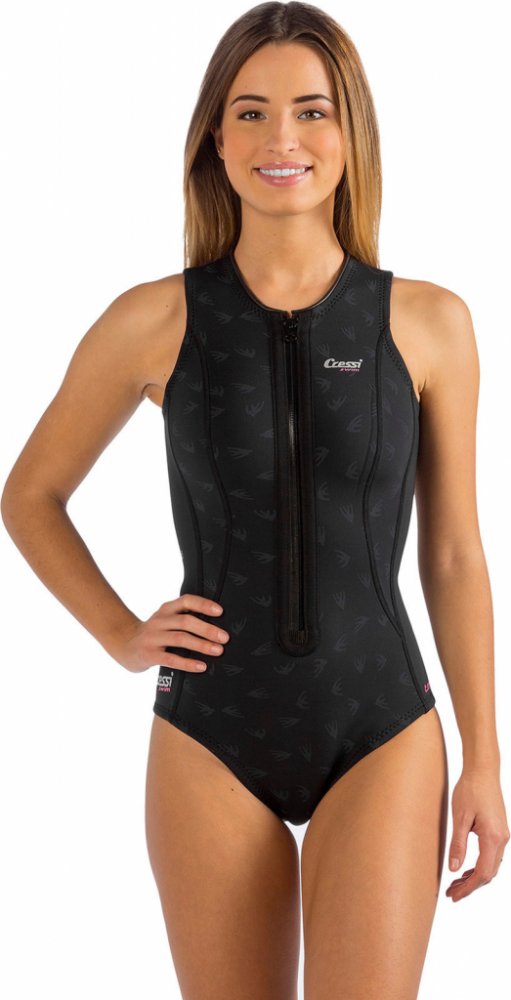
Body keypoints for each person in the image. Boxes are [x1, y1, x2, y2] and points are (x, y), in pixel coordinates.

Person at [2, 3, 509, 998]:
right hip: (210, 731)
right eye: (251, 113)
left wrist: (484, 761)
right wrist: (120, 633)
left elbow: (453, 554)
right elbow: (30, 494)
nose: (283, 139)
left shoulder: (430, 323)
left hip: (382, 724)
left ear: (350, 136)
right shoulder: (153, 320)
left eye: (312, 111)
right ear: (215, 141)